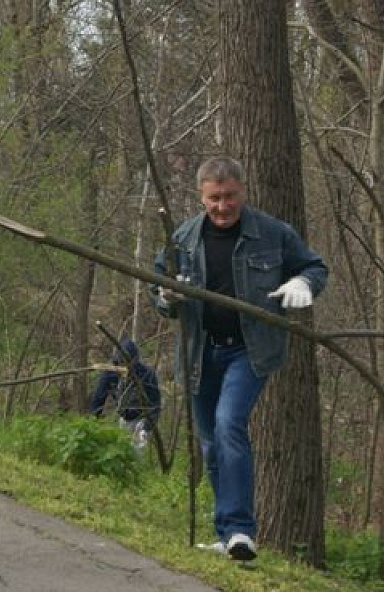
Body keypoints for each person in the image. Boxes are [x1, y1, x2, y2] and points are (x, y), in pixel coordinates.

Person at [151, 156, 328, 562]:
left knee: (230, 423)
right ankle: (225, 532)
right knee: (211, 443)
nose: (223, 206)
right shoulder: (182, 238)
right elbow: (157, 287)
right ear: (202, 197)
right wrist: (166, 296)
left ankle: (242, 532)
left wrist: (303, 282)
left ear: (242, 192)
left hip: (249, 350)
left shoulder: (272, 233)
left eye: (230, 197)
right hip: (199, 353)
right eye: (214, 198)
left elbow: (314, 266)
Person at [89, 337, 162, 451]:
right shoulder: (110, 373)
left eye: (129, 362)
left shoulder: (147, 374)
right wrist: (93, 423)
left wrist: (147, 427)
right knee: (123, 449)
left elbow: (155, 404)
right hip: (124, 417)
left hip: (143, 417)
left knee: (137, 452)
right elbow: (98, 399)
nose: (126, 366)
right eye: (122, 362)